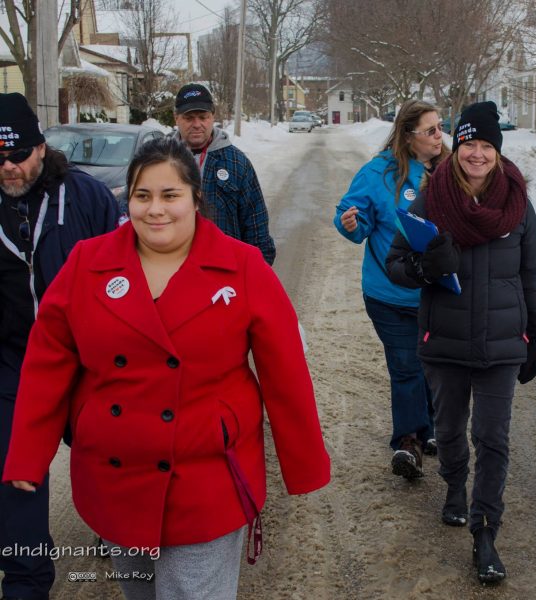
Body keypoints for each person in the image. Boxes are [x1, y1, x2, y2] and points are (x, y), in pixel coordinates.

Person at [2, 137, 330, 599]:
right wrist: (28, 454)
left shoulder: (243, 267)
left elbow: (285, 374)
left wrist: (303, 462)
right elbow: (47, 364)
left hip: (206, 479)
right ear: (128, 200)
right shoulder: (86, 264)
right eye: (142, 196)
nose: (155, 209)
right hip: (115, 477)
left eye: (170, 195)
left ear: (196, 200)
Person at [386, 101, 536, 583]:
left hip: (501, 344)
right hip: (446, 341)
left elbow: (529, 273)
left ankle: (485, 533)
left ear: (498, 152)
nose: (477, 155)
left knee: (493, 438)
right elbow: (397, 264)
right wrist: (423, 268)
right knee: (453, 433)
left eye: (486, 146)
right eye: (469, 145)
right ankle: (454, 488)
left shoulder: (518, 203)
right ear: (456, 147)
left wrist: (535, 332)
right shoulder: (431, 199)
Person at [0, 92, 120, 600]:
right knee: (15, 479)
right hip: (12, 368)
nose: (7, 168)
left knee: (110, 464)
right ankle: (27, 581)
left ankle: (121, 531)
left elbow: (126, 277)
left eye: (17, 156)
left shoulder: (88, 197)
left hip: (86, 368)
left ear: (41, 148)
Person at [333, 100, 448, 479]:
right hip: (389, 293)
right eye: (430, 130)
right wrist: (351, 223)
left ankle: (429, 429)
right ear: (407, 136)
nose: (438, 136)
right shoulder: (379, 172)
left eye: (440, 127)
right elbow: (354, 217)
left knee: (435, 364)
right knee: (405, 366)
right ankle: (408, 441)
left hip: (439, 293)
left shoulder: (452, 171)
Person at [172, 82, 276, 265]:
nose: (197, 124)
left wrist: (260, 270)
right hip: (171, 269)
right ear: (176, 118)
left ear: (212, 117)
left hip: (223, 269)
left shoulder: (236, 162)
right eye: (189, 118)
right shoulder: (159, 159)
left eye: (203, 117)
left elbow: (255, 224)